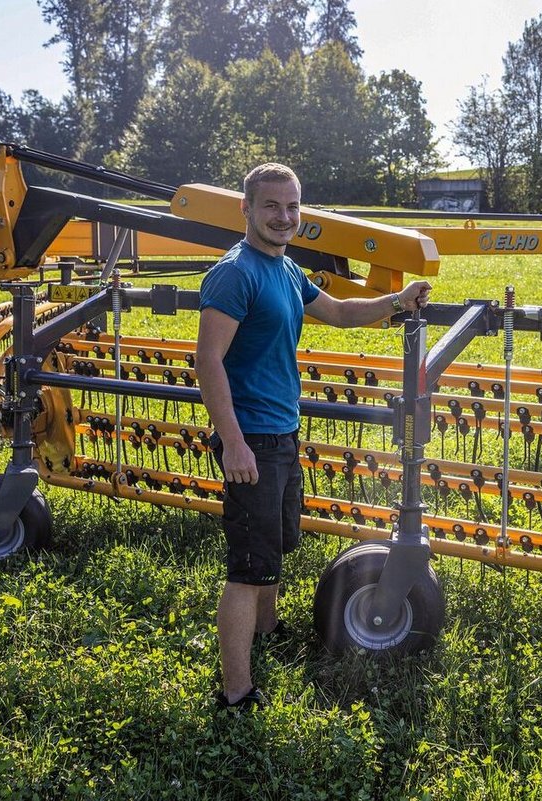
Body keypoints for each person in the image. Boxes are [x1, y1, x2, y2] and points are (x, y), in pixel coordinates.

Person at [197, 163, 432, 710]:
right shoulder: (236, 274)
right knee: (248, 569)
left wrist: (397, 302)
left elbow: (343, 312)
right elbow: (208, 360)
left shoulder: (285, 269)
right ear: (246, 209)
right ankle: (236, 692)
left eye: (293, 207)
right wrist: (232, 441)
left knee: (275, 548)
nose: (285, 217)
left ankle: (268, 635)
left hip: (281, 433)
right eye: (272, 206)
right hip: (251, 437)